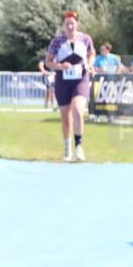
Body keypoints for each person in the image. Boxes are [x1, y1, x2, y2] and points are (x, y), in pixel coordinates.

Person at [45, 11, 95, 162]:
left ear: (77, 24)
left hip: (81, 78)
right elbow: (48, 62)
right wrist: (60, 65)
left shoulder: (85, 38)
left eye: (72, 23)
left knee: (78, 111)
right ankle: (68, 150)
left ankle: (79, 147)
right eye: (67, 23)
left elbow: (92, 53)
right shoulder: (57, 41)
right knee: (66, 118)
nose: (70, 26)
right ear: (63, 25)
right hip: (63, 80)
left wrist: (90, 63)